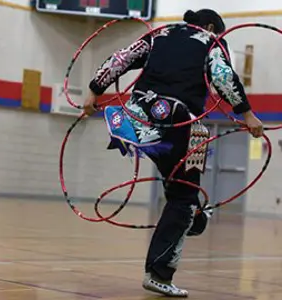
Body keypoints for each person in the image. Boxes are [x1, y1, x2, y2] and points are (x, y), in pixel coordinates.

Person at [83, 8, 263, 298]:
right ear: (209, 26)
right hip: (177, 121)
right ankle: (160, 270)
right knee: (184, 197)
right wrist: (247, 114)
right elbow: (221, 74)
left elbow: (122, 58)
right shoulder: (210, 40)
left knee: (180, 188)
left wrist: (94, 90)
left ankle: (193, 215)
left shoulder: (159, 34)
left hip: (138, 114)